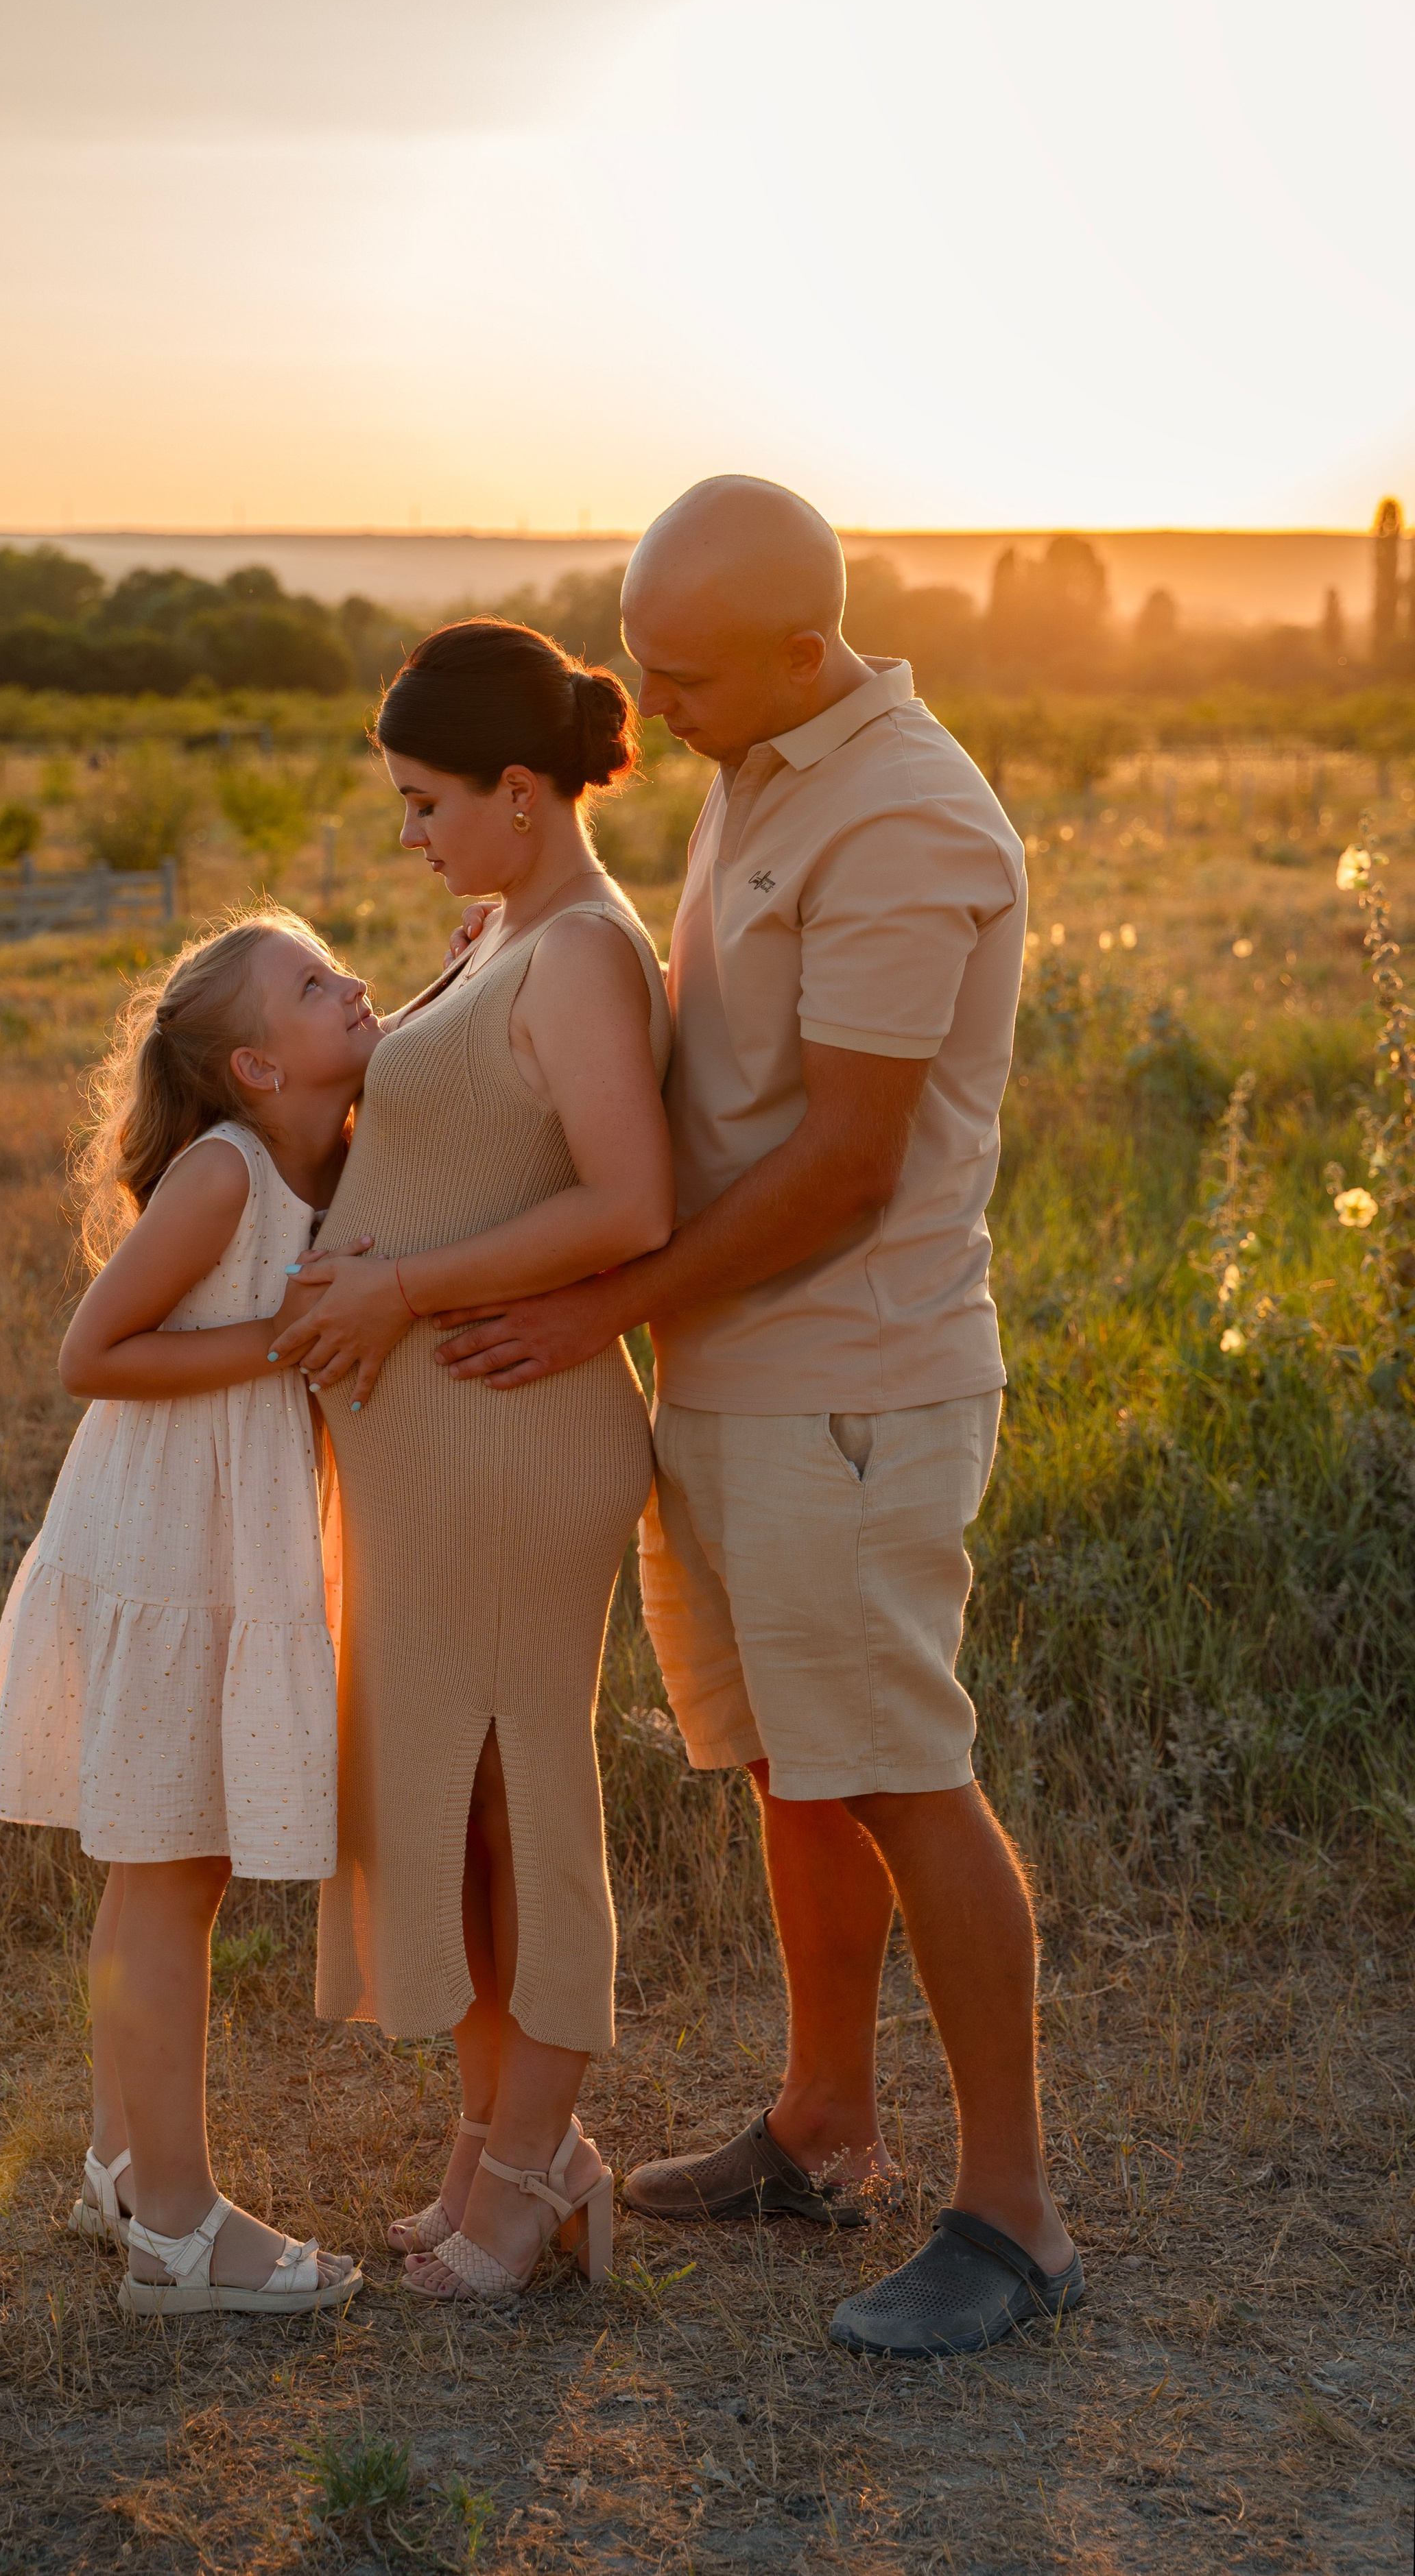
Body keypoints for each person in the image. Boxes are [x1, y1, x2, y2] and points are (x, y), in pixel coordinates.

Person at [430, 479, 1084, 2357]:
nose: (656, 709)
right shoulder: (765, 746)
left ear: (808, 647)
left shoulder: (905, 815)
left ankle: (1015, 2218)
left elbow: (850, 1166)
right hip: (731, 1373)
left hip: (850, 1389)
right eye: (641, 665)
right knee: (800, 1766)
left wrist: (595, 1312)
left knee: (898, 1767)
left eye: (686, 677)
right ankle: (821, 2128)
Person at [270, 619, 674, 2306]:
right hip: (444, 1452)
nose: (411, 836)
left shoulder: (579, 949)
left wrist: (399, 1286)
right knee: (456, 1816)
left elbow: (626, 1205)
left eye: (429, 803)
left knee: (519, 1808)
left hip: (516, 1441)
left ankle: (526, 2170)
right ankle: (506, 2150)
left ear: (522, 790)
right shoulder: (510, 924)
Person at [0, 905, 376, 2320]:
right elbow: (94, 1351)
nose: (353, 987)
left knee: (163, 1868)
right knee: (168, 1871)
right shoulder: (223, 1173)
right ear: (256, 1067)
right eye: (317, 985)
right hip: (167, 1540)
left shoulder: (316, 1150)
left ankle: (122, 2167)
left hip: (220, 1530)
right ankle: (184, 2230)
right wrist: (284, 1338)